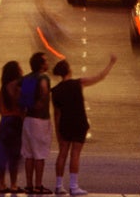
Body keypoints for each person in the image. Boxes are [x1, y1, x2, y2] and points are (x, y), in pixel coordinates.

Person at [50, 54, 117, 195]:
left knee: (62, 154)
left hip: (64, 124)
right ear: (69, 71)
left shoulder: (55, 91)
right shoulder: (78, 83)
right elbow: (99, 77)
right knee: (75, 154)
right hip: (79, 122)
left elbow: (56, 114)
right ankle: (74, 187)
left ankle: (58, 185)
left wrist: (57, 131)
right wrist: (111, 63)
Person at [20, 52, 53, 194]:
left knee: (29, 155)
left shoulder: (25, 79)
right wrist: (41, 103)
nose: (47, 63)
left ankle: (29, 185)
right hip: (40, 120)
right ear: (40, 65)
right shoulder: (43, 78)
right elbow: (44, 92)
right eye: (45, 61)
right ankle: (38, 185)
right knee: (40, 155)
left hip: (27, 119)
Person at [0, 60, 24, 194]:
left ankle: (2, 184)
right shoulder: (18, 87)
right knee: (14, 155)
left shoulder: (3, 88)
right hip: (16, 122)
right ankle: (13, 184)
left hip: (4, 122)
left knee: (2, 154)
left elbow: (0, 109)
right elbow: (22, 105)